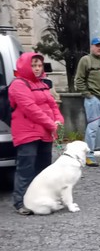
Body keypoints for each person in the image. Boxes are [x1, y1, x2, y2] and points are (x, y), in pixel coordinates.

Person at [9, 52, 64, 215]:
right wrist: (51, 124)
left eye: (39, 65)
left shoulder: (43, 84)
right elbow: (30, 109)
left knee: (44, 168)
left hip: (45, 131)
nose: (37, 68)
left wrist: (59, 120)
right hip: (27, 132)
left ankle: (42, 197)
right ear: (25, 66)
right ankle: (20, 202)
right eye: (33, 65)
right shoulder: (18, 84)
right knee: (26, 168)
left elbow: (53, 105)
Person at [74, 37, 100, 166]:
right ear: (92, 47)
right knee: (92, 128)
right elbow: (79, 80)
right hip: (94, 99)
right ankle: (89, 155)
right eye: (97, 45)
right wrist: (88, 95)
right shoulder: (85, 60)